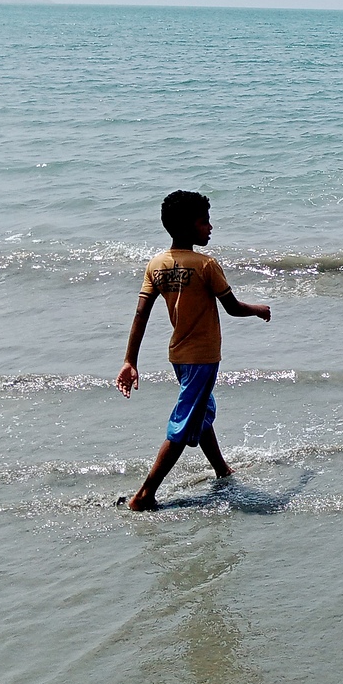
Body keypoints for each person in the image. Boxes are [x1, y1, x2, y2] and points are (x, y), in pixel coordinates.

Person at [115, 191, 271, 511]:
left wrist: (130, 360)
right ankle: (145, 494)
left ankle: (221, 469)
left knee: (199, 411)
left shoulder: (156, 265)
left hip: (179, 355)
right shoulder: (206, 265)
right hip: (203, 357)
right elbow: (232, 307)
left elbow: (141, 314)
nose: (210, 227)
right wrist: (258, 309)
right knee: (184, 422)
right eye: (204, 222)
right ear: (187, 227)